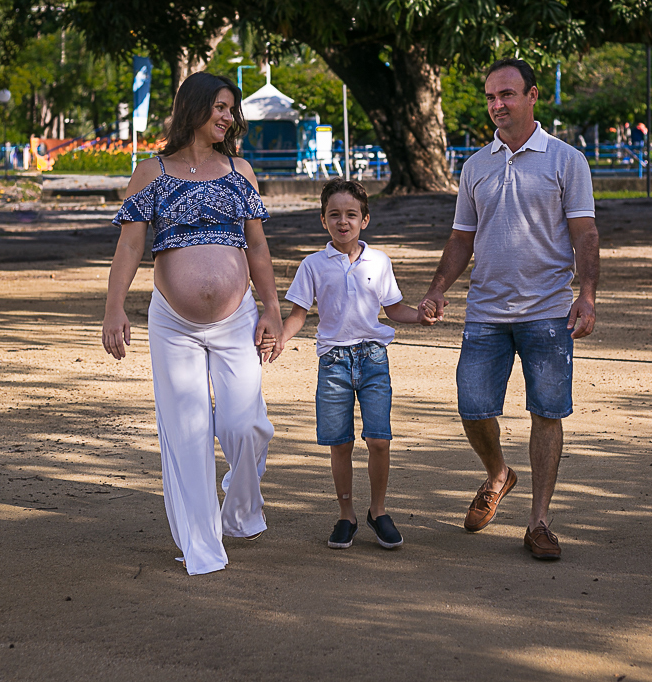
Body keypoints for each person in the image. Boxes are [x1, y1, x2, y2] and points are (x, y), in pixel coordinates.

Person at [102, 71, 285, 576]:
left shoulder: (240, 171)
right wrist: (114, 307)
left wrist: (271, 307)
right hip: (173, 324)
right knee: (187, 431)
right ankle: (201, 547)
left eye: (230, 109)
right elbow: (130, 246)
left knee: (245, 425)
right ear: (194, 108)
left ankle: (241, 509)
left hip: (236, 319)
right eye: (220, 107)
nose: (228, 117)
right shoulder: (151, 172)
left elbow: (258, 247)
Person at [419, 58, 600, 561]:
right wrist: (437, 288)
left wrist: (587, 295)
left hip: (548, 311)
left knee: (547, 412)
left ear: (532, 96)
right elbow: (462, 237)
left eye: (507, 94)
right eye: (491, 97)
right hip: (486, 311)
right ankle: (498, 474)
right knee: (473, 407)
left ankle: (539, 522)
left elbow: (585, 233)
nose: (497, 105)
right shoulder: (475, 165)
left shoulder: (567, 160)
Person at [281, 178, 429, 550]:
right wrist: (279, 337)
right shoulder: (313, 265)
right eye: (334, 215)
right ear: (323, 220)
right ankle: (346, 515)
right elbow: (299, 314)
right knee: (340, 443)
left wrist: (420, 316)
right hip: (333, 363)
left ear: (365, 219)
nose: (342, 221)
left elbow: (393, 308)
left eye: (351, 214)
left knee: (379, 439)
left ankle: (378, 511)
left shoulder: (379, 261)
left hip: (373, 358)